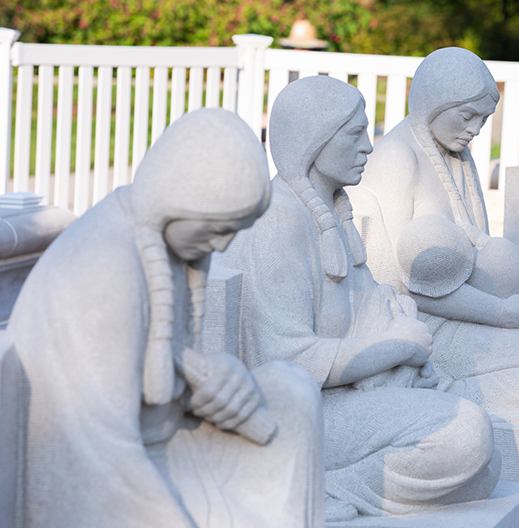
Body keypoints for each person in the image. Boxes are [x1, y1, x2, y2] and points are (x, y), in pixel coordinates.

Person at [7, 108, 325, 528]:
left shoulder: (171, 246)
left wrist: (215, 387)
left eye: (234, 228)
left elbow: (165, 372)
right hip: (110, 478)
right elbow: (98, 451)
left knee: (291, 391)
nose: (223, 242)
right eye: (216, 227)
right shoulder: (106, 267)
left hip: (170, 442)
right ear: (173, 203)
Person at [219, 75, 500, 521]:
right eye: (354, 134)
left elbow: (371, 300)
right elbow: (287, 363)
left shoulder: (331, 209)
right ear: (313, 142)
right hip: (301, 414)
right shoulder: (278, 226)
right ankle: (301, 487)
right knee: (466, 436)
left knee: (485, 465)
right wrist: (397, 347)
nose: (369, 146)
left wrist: (399, 319)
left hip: (350, 396)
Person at [353, 47, 519, 422]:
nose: (476, 129)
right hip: (438, 329)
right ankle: (444, 395)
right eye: (468, 116)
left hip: (491, 314)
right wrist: (501, 314)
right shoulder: (396, 159)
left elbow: (486, 246)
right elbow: (398, 286)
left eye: (483, 119)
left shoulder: (457, 155)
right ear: (434, 104)